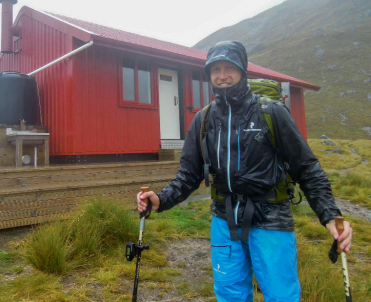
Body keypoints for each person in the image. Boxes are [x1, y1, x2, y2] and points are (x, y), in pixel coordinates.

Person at [137, 41, 353, 302]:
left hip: (271, 219)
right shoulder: (203, 120)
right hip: (223, 219)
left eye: (230, 67)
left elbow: (307, 168)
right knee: (230, 295)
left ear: (242, 71)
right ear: (209, 74)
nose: (222, 75)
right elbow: (189, 174)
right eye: (215, 69)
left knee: (281, 296)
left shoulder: (271, 112)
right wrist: (161, 200)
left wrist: (330, 216)